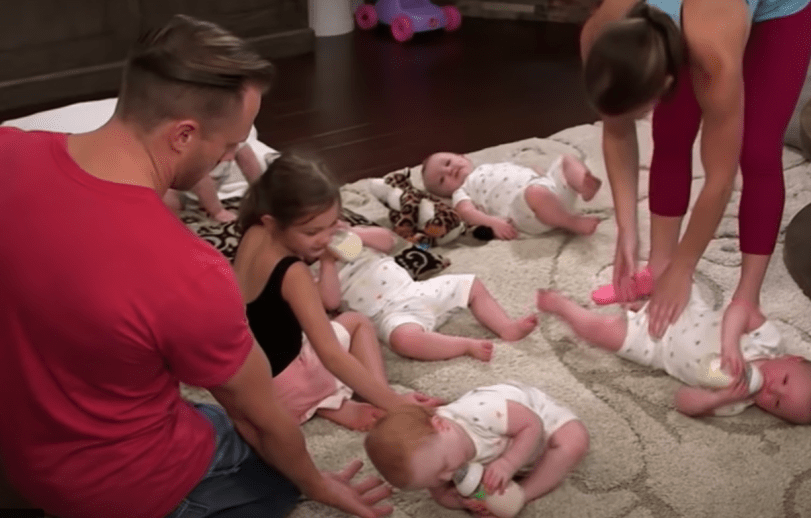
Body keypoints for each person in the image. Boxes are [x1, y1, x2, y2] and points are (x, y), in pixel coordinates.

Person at [0, 14, 395, 518]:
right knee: (275, 476)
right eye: (231, 145)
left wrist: (35, 312)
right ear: (183, 135)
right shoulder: (189, 269)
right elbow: (260, 421)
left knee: (214, 419)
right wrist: (314, 482)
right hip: (134, 490)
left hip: (28, 468)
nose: (231, 158)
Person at [578, 0, 811, 382]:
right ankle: (658, 267)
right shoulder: (601, 33)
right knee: (671, 132)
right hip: (699, 16)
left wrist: (686, 265)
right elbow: (616, 128)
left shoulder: (712, 56)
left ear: (668, 81)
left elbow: (719, 181)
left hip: (778, 8)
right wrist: (627, 228)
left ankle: (748, 299)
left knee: (756, 150)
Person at [232, 152, 444, 432]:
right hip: (287, 388)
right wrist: (396, 404)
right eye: (312, 232)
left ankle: (331, 404)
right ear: (275, 222)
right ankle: (377, 397)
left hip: (254, 383)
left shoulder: (253, 232)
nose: (325, 239)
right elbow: (332, 355)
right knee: (356, 323)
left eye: (332, 226)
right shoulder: (292, 273)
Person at [536, 285, 811, 424]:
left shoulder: (738, 401)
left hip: (655, 346)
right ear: (792, 360)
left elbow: (682, 401)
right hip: (687, 310)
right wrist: (731, 343)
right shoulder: (769, 344)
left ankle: (561, 306)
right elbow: (741, 309)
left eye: (775, 402)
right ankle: (639, 288)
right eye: (784, 380)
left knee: (599, 333)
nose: (771, 388)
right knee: (677, 267)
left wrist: (716, 399)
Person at [315, 223, 539, 363]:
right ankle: (464, 345)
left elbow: (388, 240)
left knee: (471, 284)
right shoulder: (312, 270)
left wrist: (356, 233)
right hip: (389, 316)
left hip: (416, 290)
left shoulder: (356, 240)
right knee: (404, 340)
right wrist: (326, 263)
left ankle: (506, 327)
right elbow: (330, 301)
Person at [364, 383, 589, 514]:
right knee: (485, 487)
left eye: (444, 466)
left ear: (442, 425)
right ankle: (513, 492)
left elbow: (532, 425)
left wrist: (508, 463)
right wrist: (466, 501)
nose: (447, 476)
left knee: (575, 442)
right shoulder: (431, 464)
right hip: (499, 444)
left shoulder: (483, 413)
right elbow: (442, 496)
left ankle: (525, 493)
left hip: (532, 416)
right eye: (435, 481)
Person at [420, 151, 602, 240]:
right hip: (524, 211)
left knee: (566, 159)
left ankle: (583, 186)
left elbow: (523, 172)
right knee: (534, 193)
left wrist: (538, 172)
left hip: (547, 190)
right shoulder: (462, 190)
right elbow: (466, 211)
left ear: (464, 157)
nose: (449, 170)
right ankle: (572, 222)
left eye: (448, 162)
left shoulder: (490, 166)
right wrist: (492, 222)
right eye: (442, 180)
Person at [161, 125, 270, 222]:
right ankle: (172, 224)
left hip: (213, 185)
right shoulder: (196, 153)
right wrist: (217, 211)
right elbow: (201, 181)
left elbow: (248, 160)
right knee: (168, 198)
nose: (229, 158)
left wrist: (260, 189)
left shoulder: (232, 135)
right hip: (182, 187)